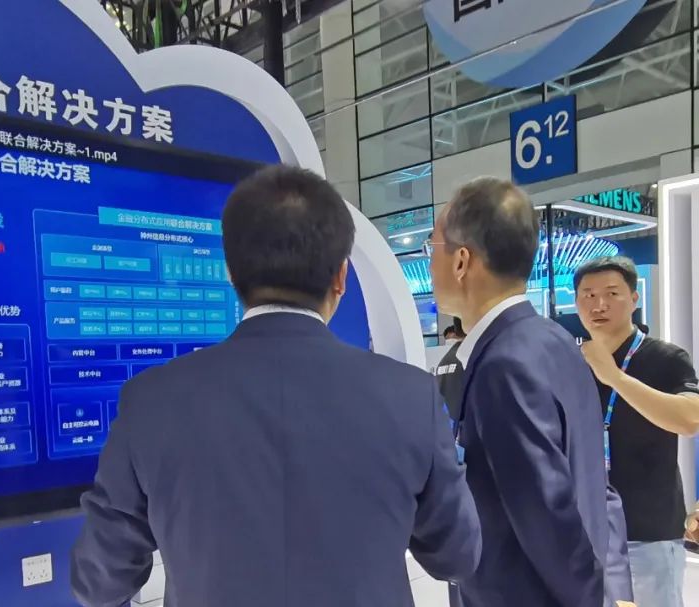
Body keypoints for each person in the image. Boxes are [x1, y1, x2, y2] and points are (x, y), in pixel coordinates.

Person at [71, 165, 482, 607]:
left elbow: (100, 581)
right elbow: (457, 555)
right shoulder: (411, 397)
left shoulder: (151, 401)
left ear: (232, 273)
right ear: (341, 277)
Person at [426, 176, 610, 607]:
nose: (429, 264)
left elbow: (547, 516)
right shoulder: (554, 340)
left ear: (461, 261)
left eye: (431, 248)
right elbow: (593, 485)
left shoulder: (502, 365)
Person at [575, 255, 699, 607]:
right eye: (588, 295)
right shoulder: (569, 361)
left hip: (646, 533)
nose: (599, 304)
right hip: (582, 531)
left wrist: (614, 377)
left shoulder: (665, 357)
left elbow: (691, 419)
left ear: (634, 298)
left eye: (612, 293)